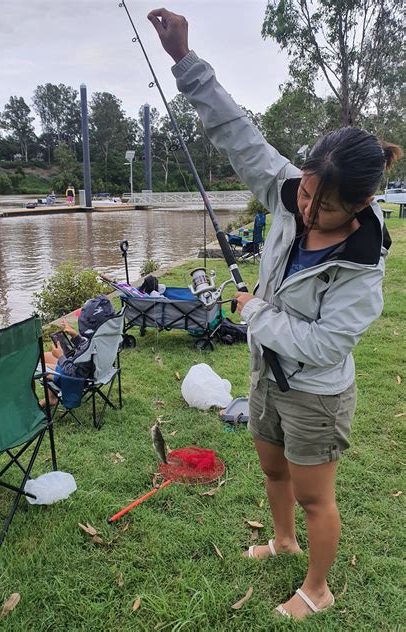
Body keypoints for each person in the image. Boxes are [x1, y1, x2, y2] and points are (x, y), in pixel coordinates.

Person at [148, 8, 402, 621]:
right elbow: (237, 132)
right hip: (266, 375)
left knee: (317, 494)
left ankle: (317, 588)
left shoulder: (363, 268)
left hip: (314, 392)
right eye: (308, 191)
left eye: (327, 205)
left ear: (364, 204)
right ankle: (282, 540)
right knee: (270, 465)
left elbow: (322, 346)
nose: (308, 210)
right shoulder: (289, 190)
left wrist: (256, 312)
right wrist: (185, 61)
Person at [43, 296, 115, 405]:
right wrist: (75, 335)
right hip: (100, 369)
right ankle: (51, 397)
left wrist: (60, 356)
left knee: (35, 367)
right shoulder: (106, 336)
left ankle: (44, 402)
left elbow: (71, 372)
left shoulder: (91, 345)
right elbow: (87, 348)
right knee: (46, 356)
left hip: (79, 379)